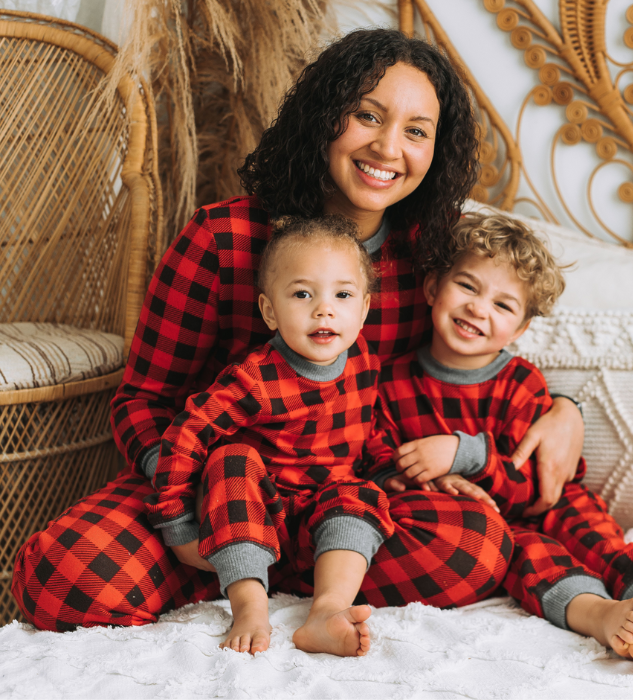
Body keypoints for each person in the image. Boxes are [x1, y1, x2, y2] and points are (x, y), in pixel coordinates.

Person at [12, 28, 582, 633]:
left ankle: (292, 586)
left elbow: (484, 348)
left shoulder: (431, 252)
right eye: (368, 115)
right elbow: (142, 400)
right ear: (324, 117)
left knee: (475, 544)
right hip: (215, 489)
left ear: (435, 150)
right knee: (61, 577)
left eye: (416, 131)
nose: (389, 148)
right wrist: (182, 505)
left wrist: (565, 407)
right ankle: (234, 566)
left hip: (343, 503)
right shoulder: (222, 238)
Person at [365, 212, 633, 673]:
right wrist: (416, 481)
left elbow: (535, 485)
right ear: (432, 288)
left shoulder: (521, 382)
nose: (479, 309)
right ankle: (603, 616)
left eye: (503, 306)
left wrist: (463, 455)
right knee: (531, 560)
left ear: (520, 329)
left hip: (553, 502)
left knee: (601, 540)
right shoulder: (392, 381)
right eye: (467, 286)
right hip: (489, 524)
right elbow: (376, 457)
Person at [147, 216, 396, 656]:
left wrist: (393, 470)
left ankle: (327, 610)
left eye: (343, 294)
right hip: (255, 513)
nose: (325, 309)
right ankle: (249, 605)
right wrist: (177, 522)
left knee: (360, 494)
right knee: (232, 459)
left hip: (318, 518)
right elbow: (186, 436)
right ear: (269, 311)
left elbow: (369, 431)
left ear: (364, 309)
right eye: (303, 294)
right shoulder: (255, 379)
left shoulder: (366, 364)